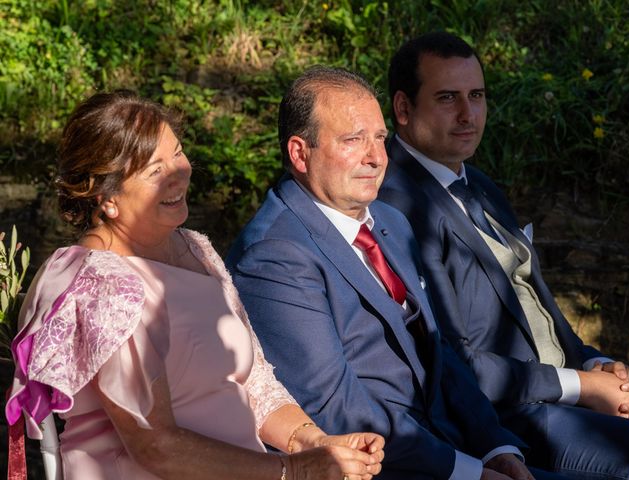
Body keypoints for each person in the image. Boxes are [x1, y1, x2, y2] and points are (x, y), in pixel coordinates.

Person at [5, 90, 385, 480]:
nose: (180, 171)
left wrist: (315, 442)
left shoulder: (195, 248)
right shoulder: (104, 286)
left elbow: (253, 382)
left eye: (178, 152)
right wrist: (291, 470)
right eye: (155, 170)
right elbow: (155, 446)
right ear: (107, 196)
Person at [226, 66, 569, 480]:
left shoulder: (388, 221)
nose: (376, 157)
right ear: (300, 153)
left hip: (456, 443)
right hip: (387, 467)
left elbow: (441, 353)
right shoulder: (274, 255)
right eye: (353, 140)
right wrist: (467, 472)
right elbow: (336, 408)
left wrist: (495, 447)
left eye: (379, 138)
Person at [378, 31, 629, 478]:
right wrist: (584, 387)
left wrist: (601, 367)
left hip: (566, 391)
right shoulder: (395, 204)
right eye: (447, 98)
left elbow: (535, 309)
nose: (468, 115)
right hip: (510, 417)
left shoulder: (479, 184)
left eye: (476, 95)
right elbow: (454, 361)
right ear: (403, 109)